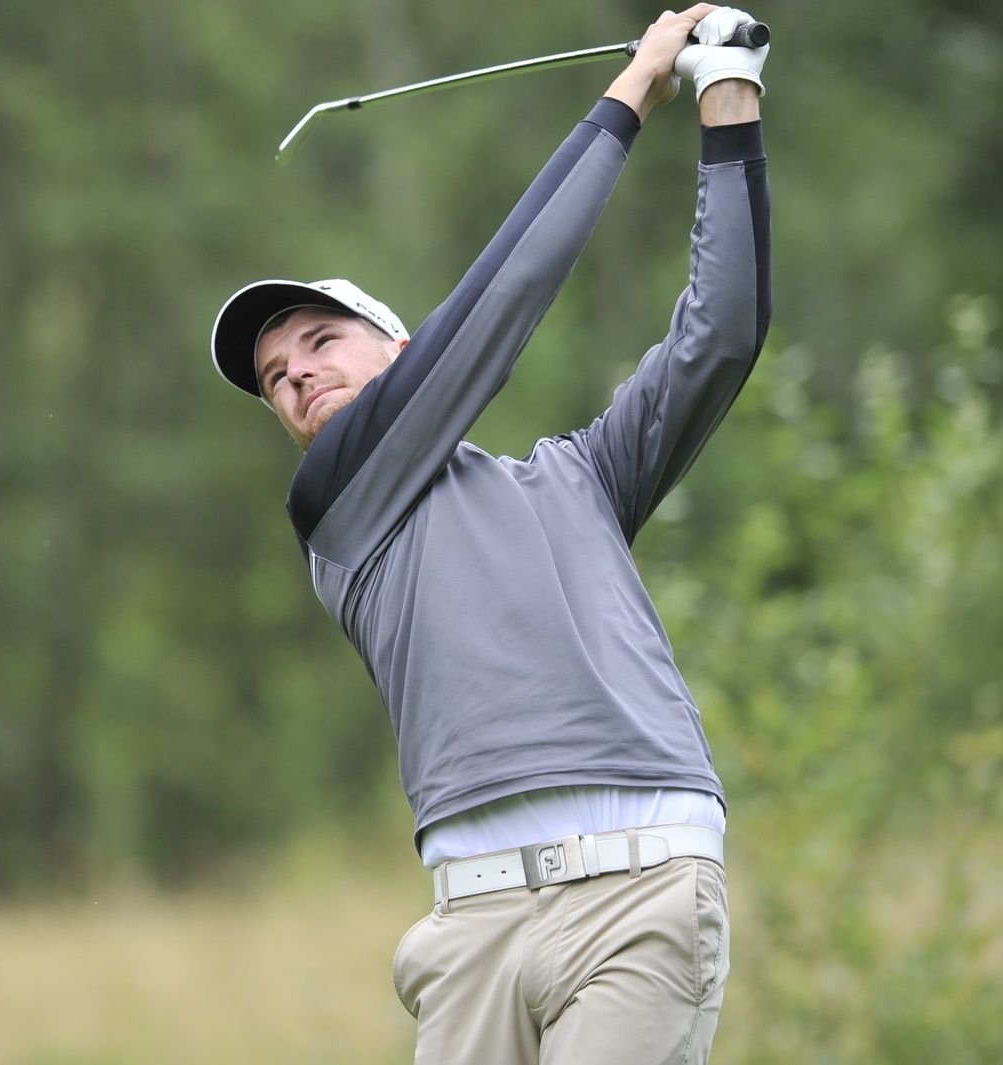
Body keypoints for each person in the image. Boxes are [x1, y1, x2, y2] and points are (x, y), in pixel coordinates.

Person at [208, 6, 770, 1064]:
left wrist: (727, 92)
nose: (297, 377)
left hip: (643, 888)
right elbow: (505, 300)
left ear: (401, 352)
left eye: (321, 342)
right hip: (470, 928)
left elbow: (722, 334)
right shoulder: (337, 509)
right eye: (276, 377)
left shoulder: (580, 479)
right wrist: (631, 92)